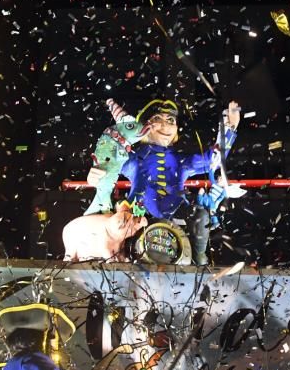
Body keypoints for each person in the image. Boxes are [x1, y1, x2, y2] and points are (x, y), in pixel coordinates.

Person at [86, 99, 241, 265]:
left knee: (200, 215)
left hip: (177, 214)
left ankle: (199, 257)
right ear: (145, 127)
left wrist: (228, 129)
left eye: (171, 121)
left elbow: (213, 160)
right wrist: (97, 176)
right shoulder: (135, 157)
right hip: (138, 213)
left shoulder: (182, 161)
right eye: (157, 119)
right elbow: (111, 164)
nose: (165, 125)